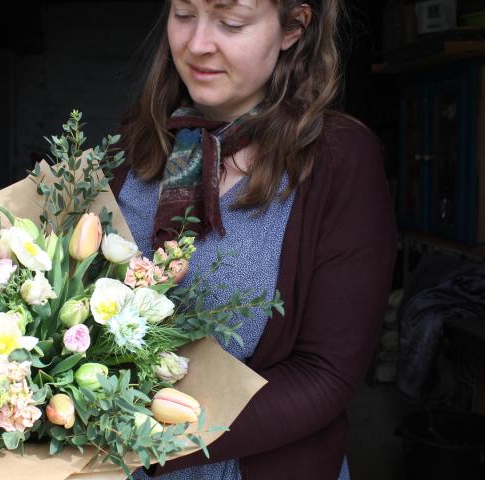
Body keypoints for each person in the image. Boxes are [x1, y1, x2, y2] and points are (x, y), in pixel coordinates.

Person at [109, 0, 397, 479]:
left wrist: (139, 437)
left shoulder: (339, 161)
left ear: (293, 28)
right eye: (183, 14)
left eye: (231, 22)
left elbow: (324, 375)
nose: (197, 44)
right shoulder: (138, 141)